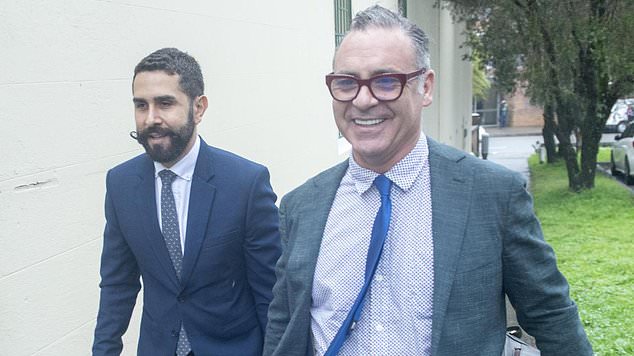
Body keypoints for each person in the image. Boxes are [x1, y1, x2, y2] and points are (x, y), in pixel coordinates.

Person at [264, 6, 592, 356]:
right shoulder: (301, 206)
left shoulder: (492, 195)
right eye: (346, 82)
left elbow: (550, 315)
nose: (362, 100)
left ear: (426, 87)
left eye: (386, 81)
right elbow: (284, 322)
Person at [93, 48, 281, 356]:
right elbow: (117, 284)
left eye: (165, 103)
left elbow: (271, 294)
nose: (151, 118)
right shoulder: (120, 184)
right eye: (141, 105)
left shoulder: (246, 183)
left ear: (199, 107)